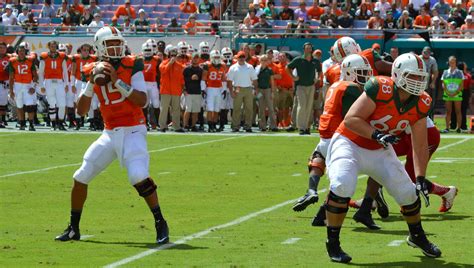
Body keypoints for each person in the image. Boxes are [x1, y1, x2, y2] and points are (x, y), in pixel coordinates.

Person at [55, 26, 169, 244]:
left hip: (133, 129)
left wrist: (117, 81)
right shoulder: (89, 68)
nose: (116, 47)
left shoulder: (131, 63)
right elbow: (80, 110)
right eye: (111, 44)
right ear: (100, 46)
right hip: (109, 132)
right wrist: (90, 83)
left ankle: (160, 223)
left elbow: (142, 100)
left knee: (137, 176)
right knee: (80, 176)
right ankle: (73, 228)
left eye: (118, 43)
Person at [324, 53, 441, 262]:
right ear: (397, 74)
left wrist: (421, 177)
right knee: (342, 184)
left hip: (380, 148)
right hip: (350, 142)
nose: (417, 82)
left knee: (408, 192)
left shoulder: (422, 101)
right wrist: (375, 134)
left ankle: (417, 237)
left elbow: (420, 143)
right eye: (412, 76)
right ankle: (333, 244)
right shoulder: (380, 88)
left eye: (419, 77)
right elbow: (351, 119)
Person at [293, 54, 372, 212]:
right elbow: (352, 115)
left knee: (317, 156)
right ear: (349, 72)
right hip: (339, 135)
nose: (365, 76)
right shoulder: (351, 88)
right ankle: (329, 207)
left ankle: (311, 190)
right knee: (361, 167)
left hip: (325, 133)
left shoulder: (336, 85)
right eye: (361, 72)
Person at [286, 42, 322, 135]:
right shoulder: (298, 60)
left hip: (311, 86)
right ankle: (301, 127)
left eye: (310, 48)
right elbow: (288, 67)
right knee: (302, 106)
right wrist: (293, 78)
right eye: (307, 48)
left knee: (309, 107)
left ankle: (307, 127)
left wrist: (317, 78)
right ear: (304, 49)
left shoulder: (315, 61)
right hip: (300, 86)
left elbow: (320, 71)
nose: (308, 49)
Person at [38, 40, 69, 131]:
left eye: (55, 46)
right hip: (48, 81)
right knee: (52, 104)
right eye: (52, 46)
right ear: (49, 47)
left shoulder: (61, 56)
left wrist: (66, 84)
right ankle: (53, 124)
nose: (53, 48)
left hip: (59, 81)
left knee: (62, 104)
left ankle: (60, 122)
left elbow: (65, 71)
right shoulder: (44, 57)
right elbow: (41, 73)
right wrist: (41, 85)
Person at [8, 43, 38, 131]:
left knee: (30, 106)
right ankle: (22, 123)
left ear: (25, 52)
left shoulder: (30, 60)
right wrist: (11, 90)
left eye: (23, 51)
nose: (21, 53)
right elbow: (11, 77)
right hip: (17, 85)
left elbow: (35, 75)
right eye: (20, 51)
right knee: (19, 105)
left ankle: (31, 124)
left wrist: (33, 86)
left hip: (28, 85)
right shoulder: (12, 61)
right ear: (17, 52)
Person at [226, 50, 258, 132]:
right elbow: (229, 81)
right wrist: (231, 91)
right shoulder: (233, 67)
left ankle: (248, 125)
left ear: (245, 57)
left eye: (243, 57)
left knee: (249, 109)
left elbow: (254, 79)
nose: (241, 58)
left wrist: (256, 89)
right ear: (237, 57)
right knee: (236, 108)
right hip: (237, 88)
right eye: (240, 57)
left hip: (248, 88)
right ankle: (235, 126)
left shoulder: (250, 67)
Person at [159, 45, 185, 133]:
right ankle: (162, 126)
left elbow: (181, 79)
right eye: (172, 53)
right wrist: (170, 63)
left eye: (174, 53)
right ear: (168, 53)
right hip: (165, 90)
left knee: (176, 110)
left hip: (176, 91)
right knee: (164, 109)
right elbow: (163, 71)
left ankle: (176, 126)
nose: (173, 55)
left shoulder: (180, 65)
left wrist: (182, 88)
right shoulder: (163, 63)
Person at [71, 44, 96, 130]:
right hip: (79, 82)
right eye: (84, 50)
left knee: (91, 103)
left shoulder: (93, 59)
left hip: (89, 82)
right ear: (81, 50)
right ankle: (78, 122)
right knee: (78, 102)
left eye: (87, 50)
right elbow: (73, 72)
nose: (86, 52)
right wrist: (72, 84)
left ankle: (92, 123)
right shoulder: (77, 58)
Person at [202, 50, 227, 132]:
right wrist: (203, 89)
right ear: (211, 57)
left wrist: (224, 89)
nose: (216, 58)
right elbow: (204, 77)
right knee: (210, 108)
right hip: (210, 88)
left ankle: (214, 124)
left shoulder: (223, 66)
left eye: (218, 57)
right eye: (215, 57)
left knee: (217, 109)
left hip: (219, 89)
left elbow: (223, 78)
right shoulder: (207, 65)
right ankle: (209, 126)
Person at [441, 56, 464, 133]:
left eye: (453, 62)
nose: (452, 63)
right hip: (447, 95)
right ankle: (447, 128)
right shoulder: (445, 72)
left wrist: (455, 93)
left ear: (455, 62)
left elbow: (461, 85)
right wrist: (447, 92)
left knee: (458, 111)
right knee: (448, 111)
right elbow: (443, 84)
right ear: (448, 62)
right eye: (450, 62)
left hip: (457, 95)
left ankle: (459, 128)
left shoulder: (460, 72)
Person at [141, 41, 161, 130]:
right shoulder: (139, 59)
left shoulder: (157, 59)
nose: (148, 51)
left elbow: (160, 73)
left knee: (156, 104)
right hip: (143, 83)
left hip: (153, 84)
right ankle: (145, 123)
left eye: (149, 50)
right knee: (144, 104)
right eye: (146, 50)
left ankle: (158, 123)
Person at [255, 54, 277, 131]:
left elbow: (272, 82)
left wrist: (272, 92)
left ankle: (273, 126)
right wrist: (256, 91)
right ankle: (262, 126)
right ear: (259, 61)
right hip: (260, 90)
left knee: (271, 108)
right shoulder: (257, 70)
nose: (263, 62)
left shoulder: (270, 70)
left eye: (265, 60)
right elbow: (255, 81)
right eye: (262, 60)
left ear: (267, 61)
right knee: (261, 108)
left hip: (267, 90)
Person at [183, 52, 204, 131]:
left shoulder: (200, 70)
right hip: (188, 92)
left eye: (197, 57)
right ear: (191, 58)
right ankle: (185, 125)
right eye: (194, 57)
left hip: (197, 92)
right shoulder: (187, 69)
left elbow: (202, 81)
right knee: (188, 109)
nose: (195, 59)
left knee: (195, 110)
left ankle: (193, 125)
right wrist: (184, 89)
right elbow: (183, 80)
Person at [0, 42, 10, 128]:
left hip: (5, 82)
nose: (2, 49)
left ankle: (3, 119)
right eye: (0, 47)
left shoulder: (10, 58)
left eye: (3, 48)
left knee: (3, 103)